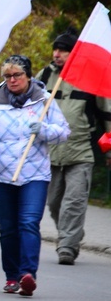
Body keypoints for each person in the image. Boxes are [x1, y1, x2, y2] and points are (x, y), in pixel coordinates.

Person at [0, 55, 69, 296]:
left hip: (34, 174)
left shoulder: (44, 100)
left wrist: (45, 130)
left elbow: (64, 132)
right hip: (1, 174)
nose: (12, 80)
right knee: (8, 227)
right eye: (7, 76)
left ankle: (28, 274)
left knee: (28, 222)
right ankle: (11, 276)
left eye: (17, 75)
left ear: (28, 76)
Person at [38, 30, 111, 265]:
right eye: (55, 49)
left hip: (81, 150)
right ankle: (72, 234)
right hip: (50, 152)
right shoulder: (47, 74)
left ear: (74, 53)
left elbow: (106, 114)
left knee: (75, 201)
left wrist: (109, 149)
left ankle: (67, 246)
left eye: (63, 50)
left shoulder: (92, 78)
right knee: (54, 202)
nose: (56, 54)